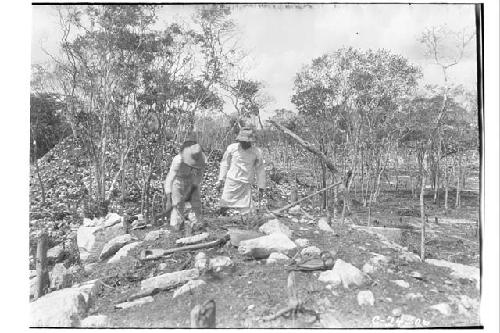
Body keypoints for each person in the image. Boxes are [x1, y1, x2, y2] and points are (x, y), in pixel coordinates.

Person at [216, 127, 266, 215]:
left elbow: (260, 169)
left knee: (247, 211)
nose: (244, 143)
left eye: (246, 142)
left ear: (250, 141)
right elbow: (224, 163)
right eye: (242, 141)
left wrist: (261, 186)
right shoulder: (232, 148)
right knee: (224, 206)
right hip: (231, 182)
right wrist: (220, 180)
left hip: (245, 184)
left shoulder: (256, 152)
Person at [164, 134, 206, 234]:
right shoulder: (178, 160)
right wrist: (168, 197)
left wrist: (192, 190)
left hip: (192, 180)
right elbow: (170, 178)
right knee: (177, 205)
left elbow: (199, 176)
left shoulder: (200, 159)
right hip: (178, 181)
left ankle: (197, 225)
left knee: (196, 204)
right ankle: (175, 227)